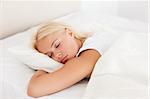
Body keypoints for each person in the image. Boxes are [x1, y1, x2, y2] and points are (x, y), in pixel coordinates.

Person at [27, 21, 115, 97]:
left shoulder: (91, 51)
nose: (57, 55)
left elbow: (35, 89)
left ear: (69, 33)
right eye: (50, 55)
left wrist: (42, 69)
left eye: (57, 45)